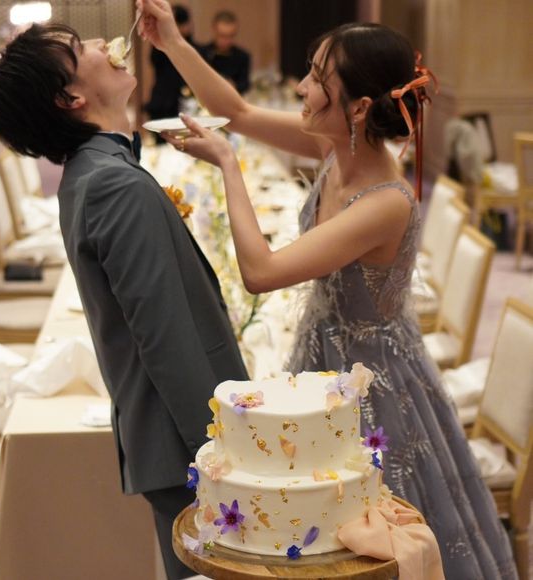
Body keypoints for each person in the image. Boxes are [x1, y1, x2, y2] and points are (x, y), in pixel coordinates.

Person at [137, 2, 518, 578]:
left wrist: (230, 167)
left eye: (317, 78)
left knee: (359, 540)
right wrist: (171, 43)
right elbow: (235, 111)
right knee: (308, 524)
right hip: (321, 358)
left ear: (359, 107)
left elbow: (262, 272)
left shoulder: (386, 201)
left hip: (370, 383)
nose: (301, 87)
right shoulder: (336, 147)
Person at [0, 23, 248, 580]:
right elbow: (166, 340)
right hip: (189, 447)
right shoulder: (113, 184)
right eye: (82, 49)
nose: (105, 45)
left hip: (171, 441)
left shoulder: (94, 171)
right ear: (70, 98)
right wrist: (225, 456)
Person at [145, 4, 198, 144]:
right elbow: (154, 61)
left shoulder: (194, 48)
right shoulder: (160, 45)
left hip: (184, 105)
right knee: (160, 146)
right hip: (161, 103)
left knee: (186, 145)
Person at [199, 10, 251, 94]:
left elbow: (245, 85)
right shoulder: (202, 53)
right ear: (214, 31)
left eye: (231, 36)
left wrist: (233, 86)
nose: (226, 41)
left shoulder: (243, 56)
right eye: (222, 35)